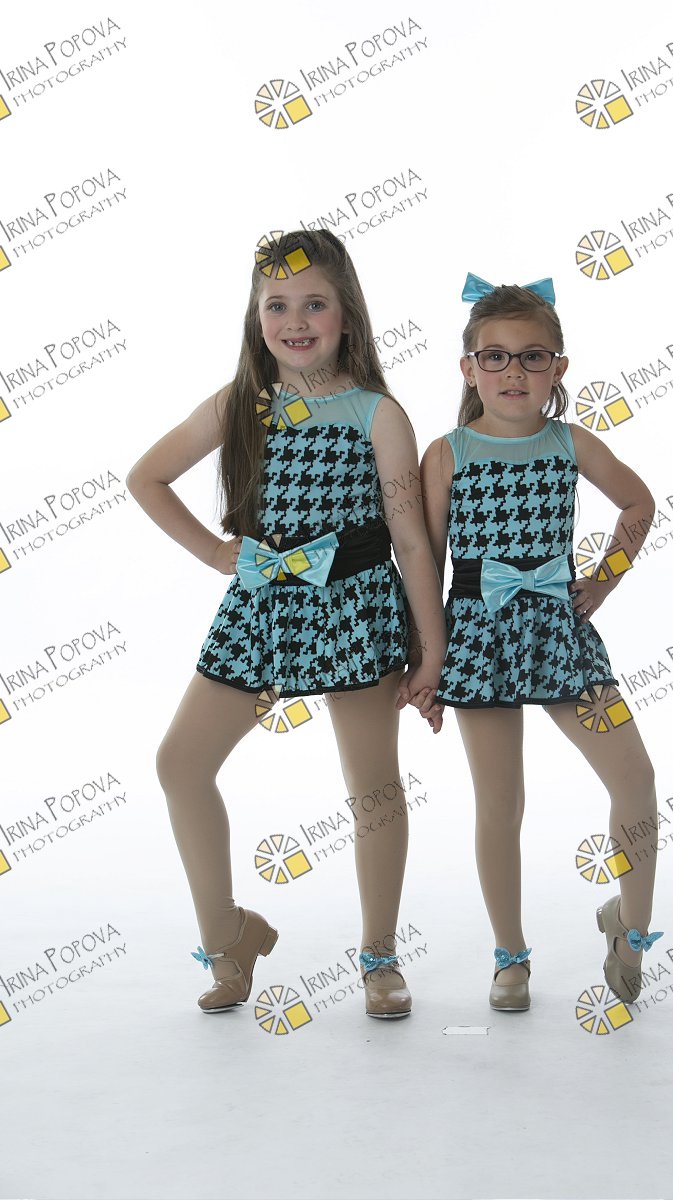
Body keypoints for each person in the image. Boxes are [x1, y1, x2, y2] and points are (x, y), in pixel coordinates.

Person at [127, 229, 445, 1019]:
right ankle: (228, 937)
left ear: (347, 313)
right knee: (180, 763)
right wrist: (219, 554)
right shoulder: (241, 403)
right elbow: (147, 476)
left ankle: (379, 956)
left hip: (356, 607)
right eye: (277, 305)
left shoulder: (378, 414)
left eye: (314, 304)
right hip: (263, 606)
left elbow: (411, 541)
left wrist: (432, 649)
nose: (294, 321)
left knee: (373, 788)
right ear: (255, 315)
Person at [419, 273, 663, 1011]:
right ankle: (511, 955)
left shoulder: (569, 442)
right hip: (479, 636)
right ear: (469, 369)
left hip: (560, 631)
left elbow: (638, 503)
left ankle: (631, 928)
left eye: (532, 357)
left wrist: (603, 581)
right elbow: (425, 564)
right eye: (494, 357)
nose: (514, 371)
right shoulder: (447, 453)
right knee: (501, 803)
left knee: (634, 778)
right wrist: (428, 661)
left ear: (558, 368)